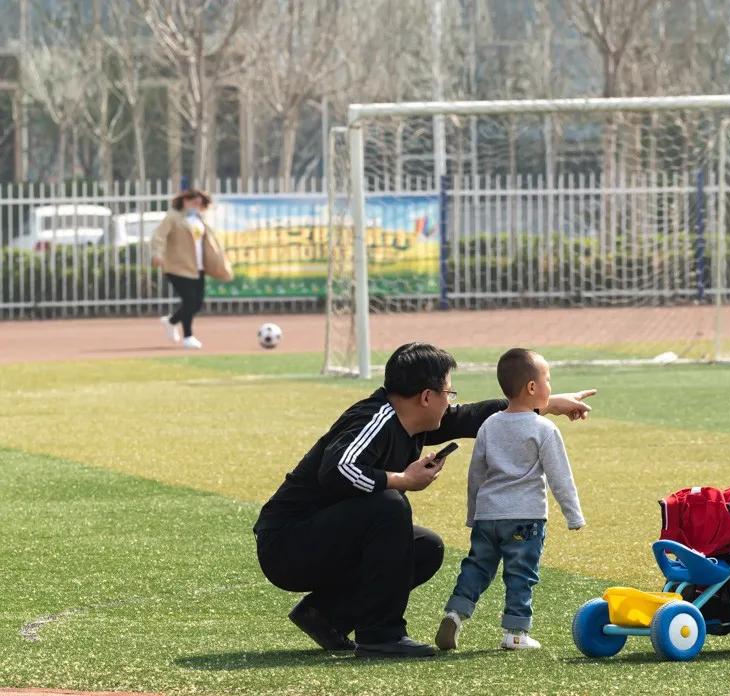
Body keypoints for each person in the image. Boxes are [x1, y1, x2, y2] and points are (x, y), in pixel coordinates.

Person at [253, 343, 595, 658]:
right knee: (389, 505)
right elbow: (338, 469)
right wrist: (403, 480)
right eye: (448, 391)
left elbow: (475, 416)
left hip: (323, 540)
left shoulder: (417, 420)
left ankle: (324, 615)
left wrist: (542, 403)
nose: (451, 401)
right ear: (427, 397)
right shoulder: (377, 418)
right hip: (288, 544)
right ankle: (380, 635)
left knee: (424, 548)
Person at [435, 348, 584, 652]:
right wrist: (574, 515)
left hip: (488, 517)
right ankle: (515, 634)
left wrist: (473, 513)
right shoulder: (544, 428)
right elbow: (560, 477)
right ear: (532, 387)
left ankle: (455, 613)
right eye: (548, 380)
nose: (550, 388)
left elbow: (476, 473)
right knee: (521, 573)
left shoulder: (489, 425)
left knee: (477, 567)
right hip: (525, 517)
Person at [150, 189, 232, 350]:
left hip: (198, 267)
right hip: (177, 266)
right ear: (184, 201)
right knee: (189, 300)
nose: (196, 205)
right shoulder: (173, 217)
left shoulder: (200, 219)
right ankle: (188, 336)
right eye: (193, 202)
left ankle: (172, 321)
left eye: (200, 203)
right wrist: (157, 254)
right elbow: (159, 236)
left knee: (197, 303)